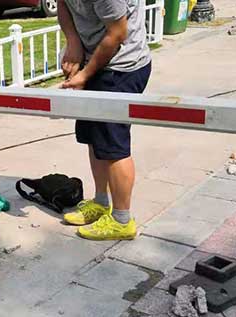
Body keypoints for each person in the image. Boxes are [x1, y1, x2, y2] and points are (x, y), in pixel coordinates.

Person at [57, 0, 152, 240]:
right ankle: (101, 203)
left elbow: (118, 33)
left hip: (121, 68)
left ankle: (122, 220)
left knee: (113, 145)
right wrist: (73, 43)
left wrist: (84, 75)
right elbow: (62, 3)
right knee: (94, 138)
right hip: (95, 61)